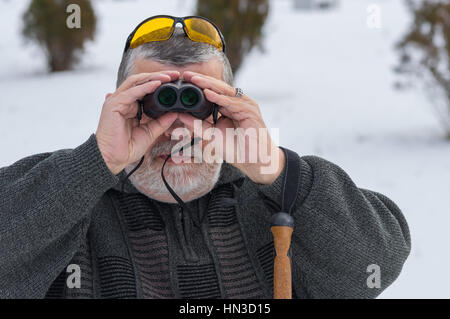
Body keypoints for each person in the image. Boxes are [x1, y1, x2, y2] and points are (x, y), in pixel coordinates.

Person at [0, 15, 410, 299]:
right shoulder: (67, 197)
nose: (178, 127)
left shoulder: (272, 202)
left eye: (198, 100)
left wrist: (280, 174)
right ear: (117, 104)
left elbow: (374, 265)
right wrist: (94, 166)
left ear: (229, 105)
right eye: (154, 98)